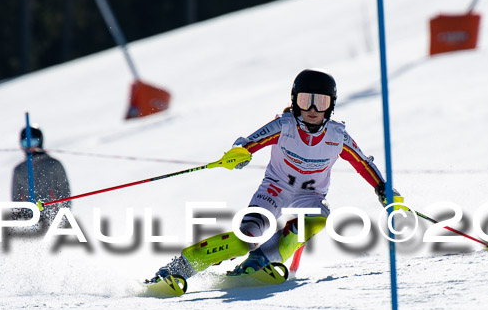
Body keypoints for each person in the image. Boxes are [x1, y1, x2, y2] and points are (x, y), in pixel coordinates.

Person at [147, 69, 402, 292]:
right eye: (305, 101)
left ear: (331, 105)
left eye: (320, 102)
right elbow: (249, 142)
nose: (312, 110)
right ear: (295, 101)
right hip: (274, 190)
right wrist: (239, 153)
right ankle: (178, 267)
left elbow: (363, 163)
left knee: (315, 220)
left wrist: (383, 190)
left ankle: (258, 262)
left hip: (309, 198)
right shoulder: (285, 126)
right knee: (245, 238)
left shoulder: (337, 136)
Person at [11, 126, 71, 227]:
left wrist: (62, 219)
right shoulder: (19, 170)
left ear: (40, 142)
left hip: (52, 217)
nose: (29, 147)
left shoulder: (53, 164)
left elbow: (65, 193)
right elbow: (16, 200)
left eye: (33, 142)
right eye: (25, 143)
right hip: (29, 222)